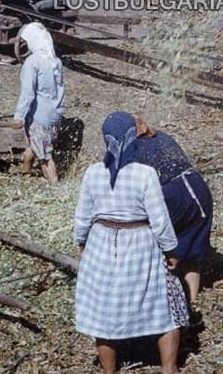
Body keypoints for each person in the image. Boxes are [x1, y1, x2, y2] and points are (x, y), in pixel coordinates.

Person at [73, 111, 184, 374]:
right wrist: (170, 249)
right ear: (132, 139)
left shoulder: (93, 173)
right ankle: (169, 368)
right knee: (164, 305)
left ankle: (109, 371)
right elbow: (160, 219)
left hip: (101, 243)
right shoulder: (145, 174)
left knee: (104, 311)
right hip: (139, 245)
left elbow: (82, 216)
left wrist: (81, 242)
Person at [131, 114, 213, 308]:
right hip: (198, 187)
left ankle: (158, 299)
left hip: (173, 194)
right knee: (192, 245)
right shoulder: (163, 137)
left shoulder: (135, 149)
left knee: (156, 244)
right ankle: (193, 300)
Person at [13, 22, 63, 184]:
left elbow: (28, 93)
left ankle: (56, 187)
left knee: (45, 157)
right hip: (55, 114)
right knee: (34, 145)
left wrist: (19, 116)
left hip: (39, 116)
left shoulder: (33, 62)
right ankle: (25, 172)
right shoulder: (56, 61)